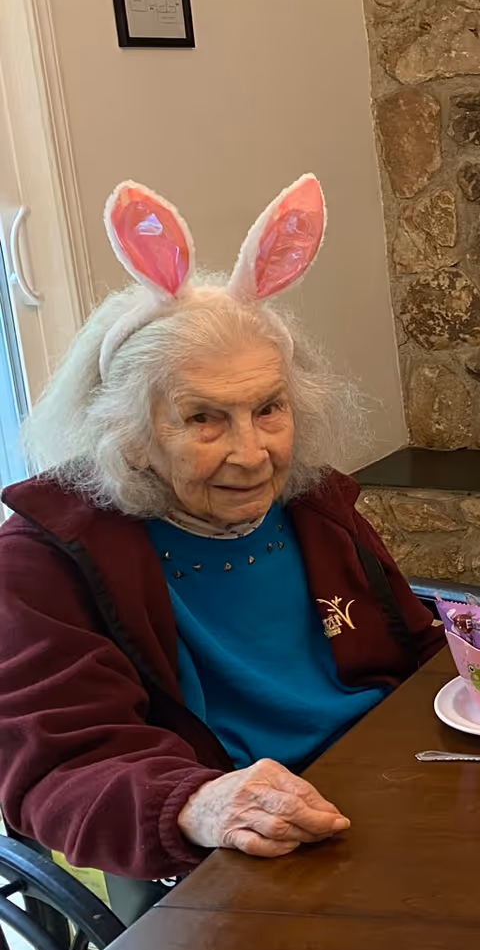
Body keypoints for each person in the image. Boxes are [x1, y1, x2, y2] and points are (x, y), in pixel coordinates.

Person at [0, 175, 437, 891]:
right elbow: (54, 771)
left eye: (269, 409)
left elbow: (414, 649)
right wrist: (199, 804)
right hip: (219, 859)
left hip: (380, 799)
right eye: (204, 419)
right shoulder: (42, 560)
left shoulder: (313, 503)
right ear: (129, 434)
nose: (252, 452)